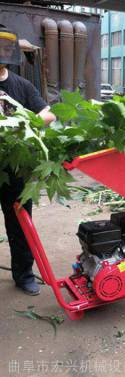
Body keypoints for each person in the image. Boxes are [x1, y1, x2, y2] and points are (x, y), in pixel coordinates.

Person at [0, 25, 56, 295]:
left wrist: (22, 122)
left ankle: (23, 274)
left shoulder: (21, 85)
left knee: (20, 225)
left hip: (16, 169)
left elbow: (48, 114)